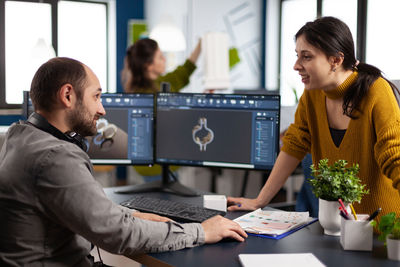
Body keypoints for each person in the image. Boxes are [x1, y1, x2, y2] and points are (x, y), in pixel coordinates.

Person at [0, 57, 247, 266]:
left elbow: (90, 210)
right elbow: (119, 234)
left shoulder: (18, 136)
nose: (103, 110)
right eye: (96, 97)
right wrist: (201, 231)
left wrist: (134, 214)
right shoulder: (56, 157)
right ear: (67, 95)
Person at [227, 16, 400, 222]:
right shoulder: (313, 94)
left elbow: (394, 155)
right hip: (334, 228)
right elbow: (294, 144)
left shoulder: (376, 91)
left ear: (336, 60)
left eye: (306, 57)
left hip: (382, 229)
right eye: (297, 56)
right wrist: (259, 201)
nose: (296, 65)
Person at [121, 38, 201, 181]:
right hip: (155, 167)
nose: (164, 59)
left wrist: (201, 44)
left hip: (164, 164)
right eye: (160, 57)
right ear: (148, 65)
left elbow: (186, 69)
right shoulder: (143, 95)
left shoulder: (165, 82)